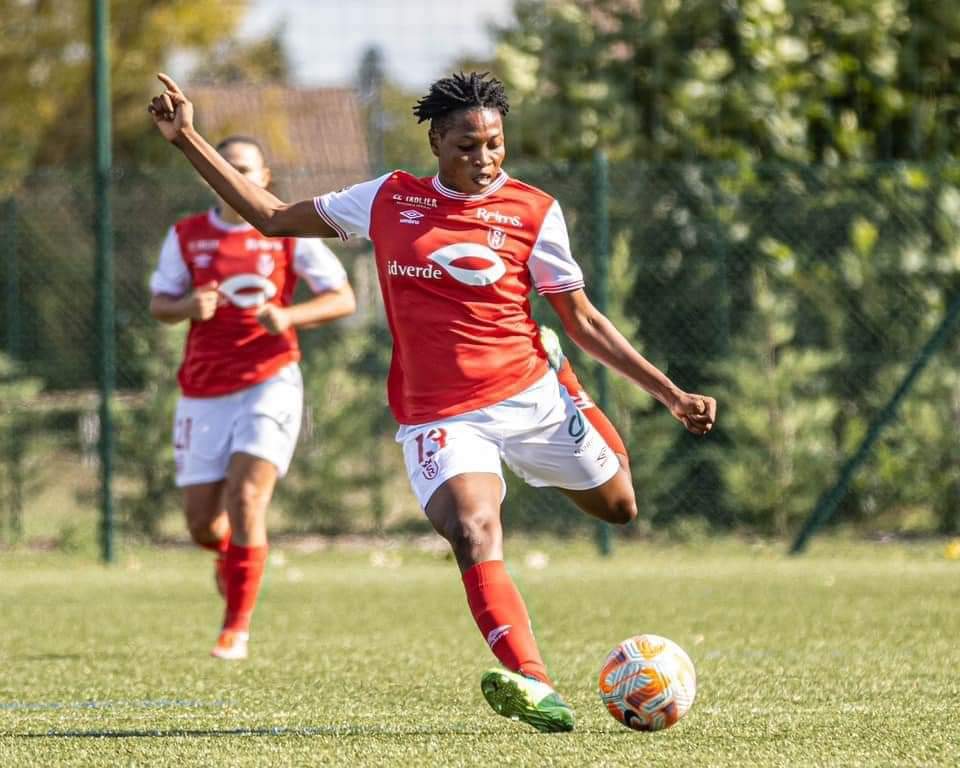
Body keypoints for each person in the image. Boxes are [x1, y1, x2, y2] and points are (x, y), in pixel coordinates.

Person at [148, 72, 716, 729]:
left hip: (533, 394)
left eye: (495, 145)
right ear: (436, 140)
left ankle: (569, 391)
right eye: (467, 146)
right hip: (441, 415)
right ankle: (536, 684)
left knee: (619, 508)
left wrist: (670, 393)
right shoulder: (388, 198)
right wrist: (187, 136)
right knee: (472, 530)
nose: (483, 160)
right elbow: (271, 217)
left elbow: (582, 319)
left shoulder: (534, 211)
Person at [148, 135, 356, 661]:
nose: (235, 176)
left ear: (264, 179)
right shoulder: (187, 235)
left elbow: (342, 296)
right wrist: (187, 305)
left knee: (247, 498)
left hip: (271, 378)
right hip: (203, 389)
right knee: (201, 525)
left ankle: (235, 628)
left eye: (245, 168)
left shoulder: (287, 233)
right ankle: (232, 557)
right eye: (225, 168)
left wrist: (289, 316)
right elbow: (159, 304)